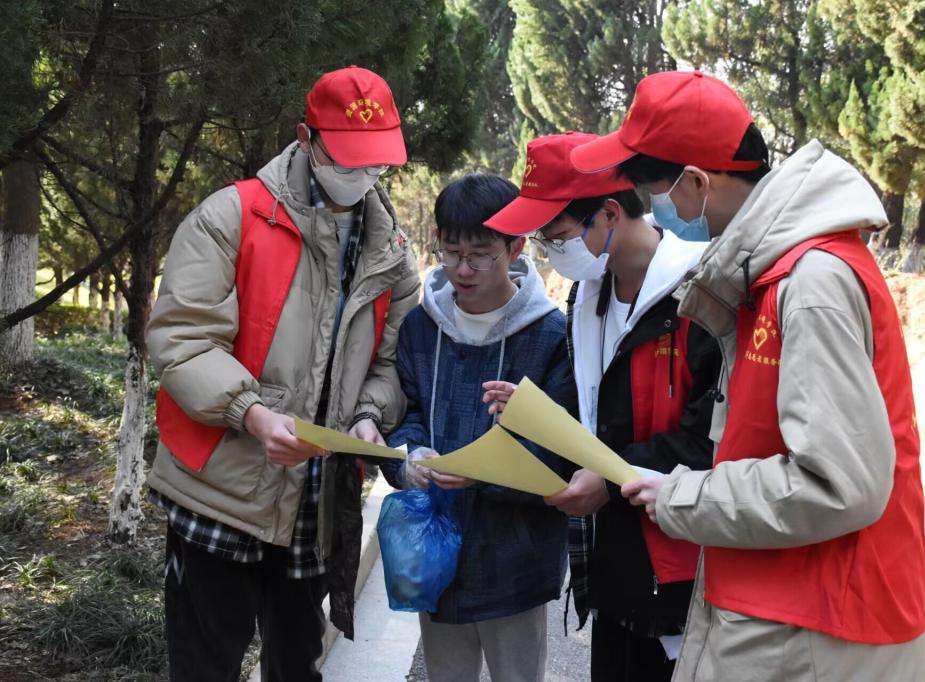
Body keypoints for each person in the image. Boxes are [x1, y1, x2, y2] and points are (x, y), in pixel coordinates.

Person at [571, 70, 925, 681]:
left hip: (821, 623)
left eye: (653, 191)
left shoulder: (810, 283)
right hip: (784, 604)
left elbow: (840, 484)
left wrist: (681, 495)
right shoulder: (766, 278)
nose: (655, 212)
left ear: (696, 182)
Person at [146, 66, 421, 682]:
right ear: (305, 138)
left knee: (297, 662)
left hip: (316, 498)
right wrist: (250, 413)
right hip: (221, 488)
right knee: (204, 664)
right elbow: (183, 338)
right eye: (346, 158)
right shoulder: (233, 215)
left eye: (376, 162)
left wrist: (369, 415)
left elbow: (390, 367)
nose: (361, 174)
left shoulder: (391, 254)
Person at [482, 132, 721, 682]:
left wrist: (610, 481)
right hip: (614, 560)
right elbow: (599, 413)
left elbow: (712, 438)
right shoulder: (588, 296)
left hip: (682, 564)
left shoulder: (700, 296)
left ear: (610, 214)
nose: (551, 253)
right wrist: (541, 417)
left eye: (557, 236)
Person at [378, 174, 575, 682]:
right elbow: (404, 410)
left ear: (515, 248)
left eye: (481, 256)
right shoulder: (421, 327)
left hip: (517, 557)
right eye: (451, 252)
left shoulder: (551, 335)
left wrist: (483, 473)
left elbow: (561, 449)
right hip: (436, 556)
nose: (463, 269)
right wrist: (409, 458)